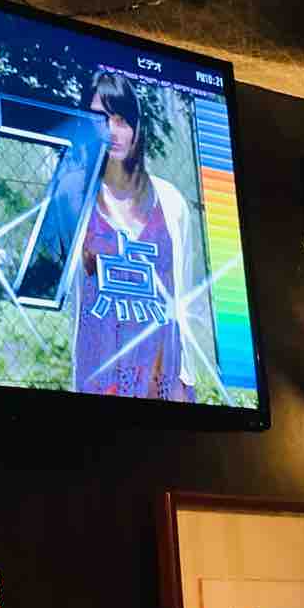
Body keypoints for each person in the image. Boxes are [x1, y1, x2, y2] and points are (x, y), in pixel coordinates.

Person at [73, 69, 213, 400]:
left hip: (161, 377)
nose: (112, 130)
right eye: (100, 119)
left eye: (121, 120)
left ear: (136, 127)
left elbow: (184, 297)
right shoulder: (75, 199)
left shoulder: (171, 202)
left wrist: (184, 379)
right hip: (99, 375)